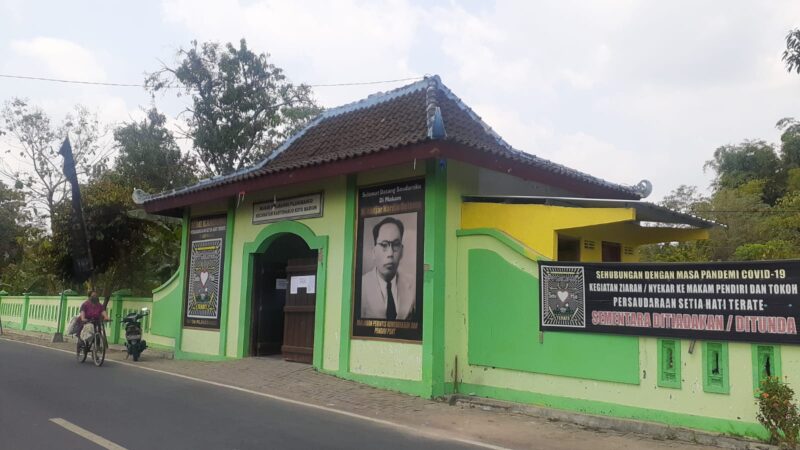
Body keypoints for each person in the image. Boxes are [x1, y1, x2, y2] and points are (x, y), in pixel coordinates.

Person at [360, 217, 416, 320]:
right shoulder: (361, 286)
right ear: (374, 252)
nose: (390, 253)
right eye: (384, 245)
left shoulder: (413, 286)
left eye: (395, 245)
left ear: (402, 251)